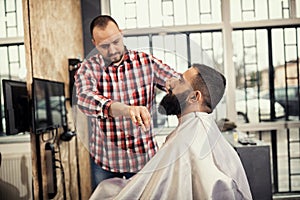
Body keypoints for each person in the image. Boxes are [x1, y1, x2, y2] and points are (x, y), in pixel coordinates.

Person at [90, 63, 253, 199]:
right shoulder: (195, 129)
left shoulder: (189, 141)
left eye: (180, 81)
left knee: (105, 190)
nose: (171, 83)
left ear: (194, 97)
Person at [74, 15, 180, 189]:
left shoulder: (146, 62)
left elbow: (176, 81)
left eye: (116, 41)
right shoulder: (88, 68)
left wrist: (179, 88)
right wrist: (125, 110)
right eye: (104, 46)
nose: (113, 50)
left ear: (121, 34)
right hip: (105, 161)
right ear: (94, 43)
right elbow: (84, 98)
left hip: (143, 159)